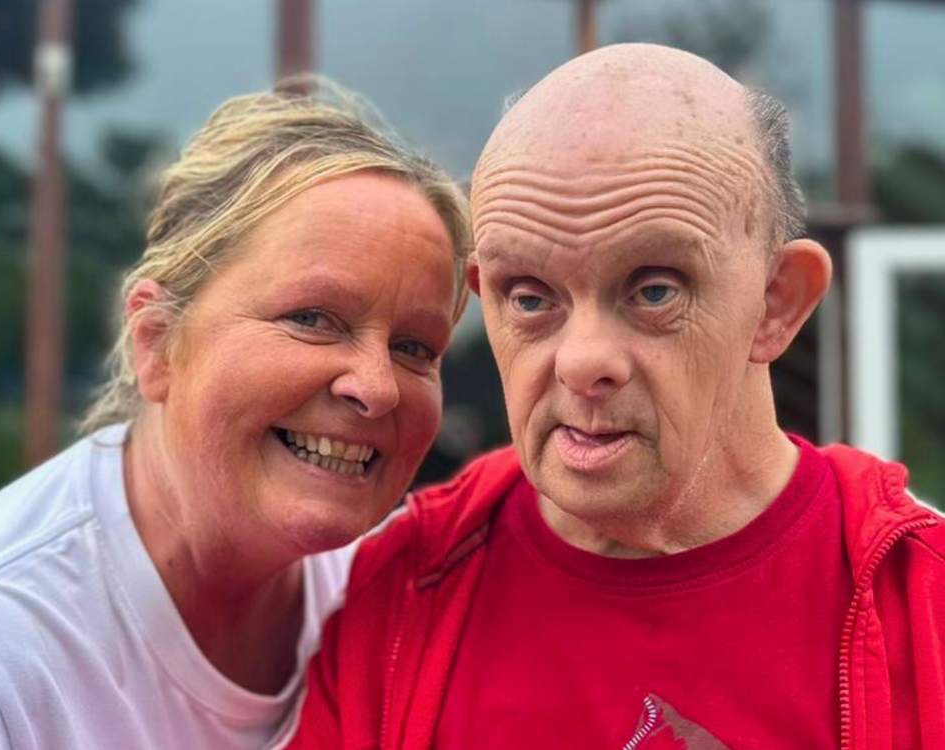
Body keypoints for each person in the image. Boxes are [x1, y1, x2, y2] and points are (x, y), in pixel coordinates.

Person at [288, 44, 945, 749]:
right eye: (530, 297)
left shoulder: (922, 606)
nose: (582, 362)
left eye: (654, 290)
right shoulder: (393, 598)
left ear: (776, 304)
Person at [0, 81, 471, 750]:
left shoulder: (404, 601)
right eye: (312, 318)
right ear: (157, 342)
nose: (377, 387)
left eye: (415, 348)